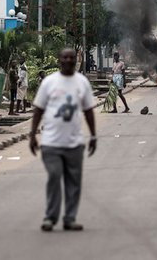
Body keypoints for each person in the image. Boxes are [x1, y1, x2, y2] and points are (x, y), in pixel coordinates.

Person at [29, 48, 97, 231]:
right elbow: (38, 109)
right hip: (51, 142)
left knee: (73, 181)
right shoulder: (49, 82)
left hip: (74, 143)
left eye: (71, 57)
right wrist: (32, 135)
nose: (68, 60)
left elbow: (88, 110)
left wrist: (93, 135)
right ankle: (50, 217)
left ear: (76, 60)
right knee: (54, 175)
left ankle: (70, 218)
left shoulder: (82, 82)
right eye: (64, 57)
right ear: (59, 59)